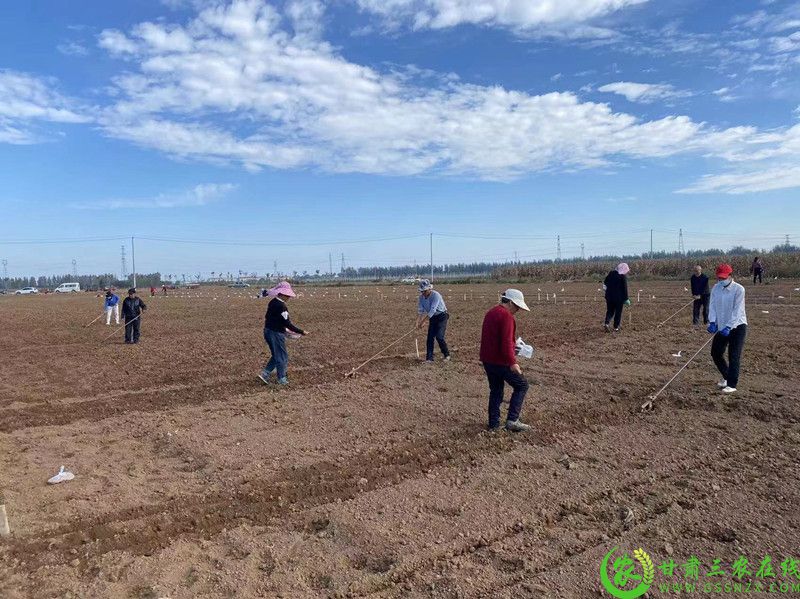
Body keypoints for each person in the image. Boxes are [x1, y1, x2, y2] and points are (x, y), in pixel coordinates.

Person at [479, 289, 532, 432]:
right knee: (522, 385)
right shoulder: (507, 316)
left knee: (496, 390)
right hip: (501, 361)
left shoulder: (491, 312)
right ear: (509, 302)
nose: (518, 310)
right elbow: (507, 342)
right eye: (517, 306)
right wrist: (513, 362)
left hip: (487, 359)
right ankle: (512, 420)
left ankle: (494, 424)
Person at [258, 281, 308, 386]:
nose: (289, 298)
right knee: (282, 356)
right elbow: (287, 323)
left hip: (267, 331)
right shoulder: (282, 306)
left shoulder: (272, 302)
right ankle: (281, 379)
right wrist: (301, 331)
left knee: (276, 355)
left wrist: (283, 328)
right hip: (276, 334)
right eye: (288, 295)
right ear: (282, 294)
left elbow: (271, 319)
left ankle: (265, 374)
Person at [708, 264, 747, 393]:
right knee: (716, 353)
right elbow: (712, 305)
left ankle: (732, 384)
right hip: (721, 326)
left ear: (730, 276)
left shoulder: (739, 290)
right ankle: (726, 376)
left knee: (733, 355)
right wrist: (712, 322)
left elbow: (738, 310)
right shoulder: (716, 288)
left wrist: (729, 326)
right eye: (719, 278)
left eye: (723, 277)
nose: (721, 280)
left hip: (737, 326)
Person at [415, 279, 450, 363]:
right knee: (430, 338)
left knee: (439, 336)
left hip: (442, 316)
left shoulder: (436, 295)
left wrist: (423, 322)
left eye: (425, 291)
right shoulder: (421, 297)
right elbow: (421, 310)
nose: (423, 293)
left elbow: (432, 310)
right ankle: (429, 359)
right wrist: (417, 322)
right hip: (432, 318)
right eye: (422, 291)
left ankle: (447, 354)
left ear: (429, 289)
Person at [603, 263, 631, 332]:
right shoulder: (622, 276)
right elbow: (624, 289)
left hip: (609, 296)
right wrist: (626, 299)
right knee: (618, 312)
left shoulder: (611, 273)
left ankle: (606, 323)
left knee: (610, 311)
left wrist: (608, 290)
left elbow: (605, 282)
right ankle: (616, 327)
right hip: (619, 298)